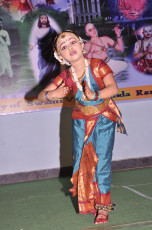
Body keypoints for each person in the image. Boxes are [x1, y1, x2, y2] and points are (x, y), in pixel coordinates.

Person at [38, 31, 126, 224]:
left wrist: (94, 95)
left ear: (82, 45)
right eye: (64, 47)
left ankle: (102, 208)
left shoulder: (97, 65)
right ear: (60, 56)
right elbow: (41, 95)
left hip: (103, 119)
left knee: (102, 162)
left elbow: (113, 89)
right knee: (82, 163)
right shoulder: (65, 76)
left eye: (72, 42)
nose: (70, 47)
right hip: (80, 122)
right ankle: (89, 201)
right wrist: (52, 95)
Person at [29, 14, 60, 81]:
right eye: (42, 18)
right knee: (43, 70)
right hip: (42, 54)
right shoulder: (37, 30)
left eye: (45, 18)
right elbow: (33, 40)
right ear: (40, 20)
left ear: (47, 20)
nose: (43, 19)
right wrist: (31, 46)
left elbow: (56, 38)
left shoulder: (51, 29)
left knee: (53, 69)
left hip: (51, 53)